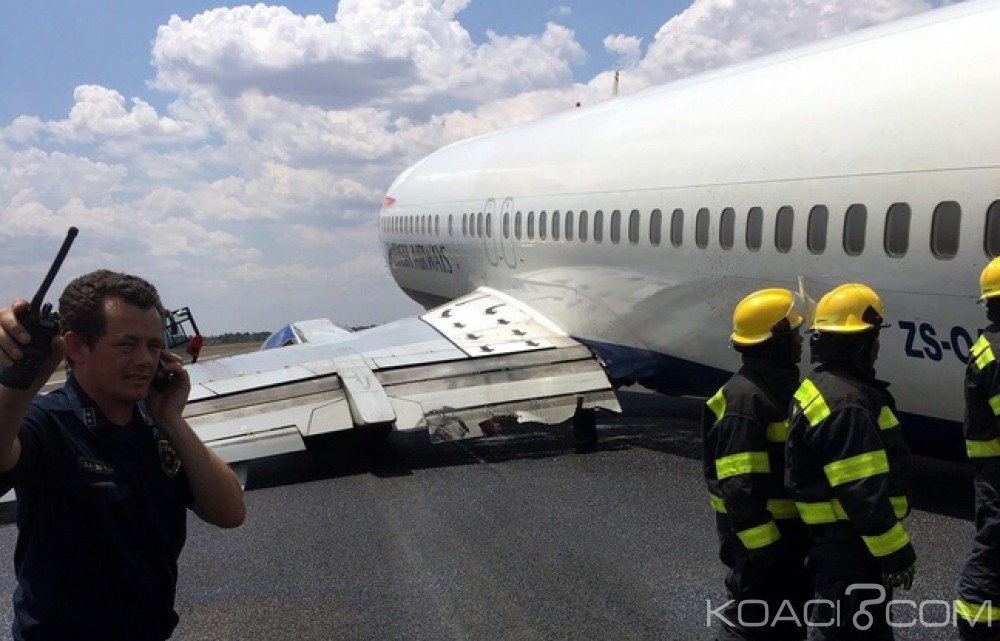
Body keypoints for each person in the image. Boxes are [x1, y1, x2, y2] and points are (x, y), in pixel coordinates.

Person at [0, 269, 246, 641]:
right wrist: (20, 379)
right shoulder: (48, 423)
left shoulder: (155, 426)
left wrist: (172, 420)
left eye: (153, 345)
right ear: (76, 347)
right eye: (127, 345)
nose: (146, 360)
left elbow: (230, 513)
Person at [785, 282, 915, 640]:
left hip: (834, 544)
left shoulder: (822, 387)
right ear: (860, 344)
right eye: (873, 336)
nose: (876, 346)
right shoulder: (850, 405)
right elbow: (862, 491)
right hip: (852, 548)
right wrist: (896, 552)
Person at [702, 287, 811, 641]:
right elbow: (739, 490)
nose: (801, 341)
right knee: (752, 626)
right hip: (762, 547)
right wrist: (767, 551)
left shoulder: (773, 390)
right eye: (793, 333)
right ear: (773, 340)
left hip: (783, 540)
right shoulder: (745, 402)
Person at [955, 257, 1000, 639]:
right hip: (998, 469)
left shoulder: (989, 346)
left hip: (991, 465)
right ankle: (976, 620)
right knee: (994, 544)